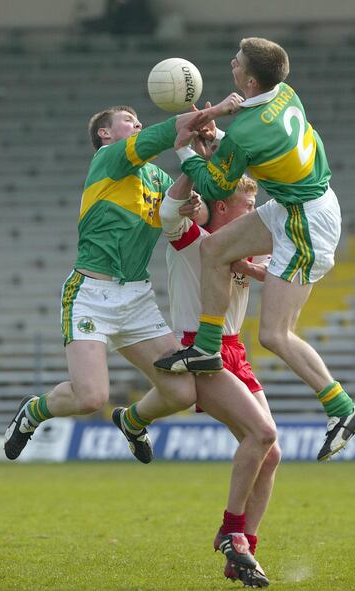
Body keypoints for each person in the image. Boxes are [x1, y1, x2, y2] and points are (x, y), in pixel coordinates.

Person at [154, 37, 355, 462]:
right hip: (297, 204)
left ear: (249, 78)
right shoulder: (284, 94)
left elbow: (216, 186)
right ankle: (206, 347)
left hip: (307, 222)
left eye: (236, 62)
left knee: (274, 334)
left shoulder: (249, 131)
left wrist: (184, 149)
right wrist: (219, 135)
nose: (230, 64)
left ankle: (343, 409)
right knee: (213, 249)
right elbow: (246, 145)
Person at [3, 98, 239, 463]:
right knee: (90, 398)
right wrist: (215, 111)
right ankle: (33, 412)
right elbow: (165, 133)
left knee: (182, 393)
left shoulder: (156, 178)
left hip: (136, 299)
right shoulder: (108, 159)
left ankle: (131, 421)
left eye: (138, 120)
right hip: (90, 295)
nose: (138, 124)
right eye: (129, 120)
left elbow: (202, 210)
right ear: (105, 133)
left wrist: (195, 185)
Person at [115, 173, 279, 587]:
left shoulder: (242, 246)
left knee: (271, 453)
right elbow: (170, 215)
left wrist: (257, 272)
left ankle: (243, 553)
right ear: (222, 208)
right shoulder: (197, 241)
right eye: (246, 208)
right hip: (201, 349)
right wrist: (195, 165)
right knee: (260, 434)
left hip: (235, 350)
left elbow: (284, 257)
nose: (253, 216)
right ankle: (231, 532)